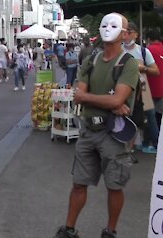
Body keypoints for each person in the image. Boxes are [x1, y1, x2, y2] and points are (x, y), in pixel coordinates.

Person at [54, 13, 139, 238]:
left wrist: (103, 100)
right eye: (104, 24)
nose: (107, 28)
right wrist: (110, 102)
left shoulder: (128, 63)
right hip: (88, 131)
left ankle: (110, 231)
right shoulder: (91, 60)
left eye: (114, 25)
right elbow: (79, 94)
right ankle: (69, 228)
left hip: (114, 134)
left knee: (114, 186)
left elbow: (109, 99)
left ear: (124, 33)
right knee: (79, 183)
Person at [122, 22, 160, 154]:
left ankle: (155, 143)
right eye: (124, 32)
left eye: (129, 32)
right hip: (123, 87)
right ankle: (126, 143)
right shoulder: (119, 50)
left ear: (136, 35)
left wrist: (142, 68)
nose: (126, 35)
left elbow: (156, 71)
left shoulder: (143, 51)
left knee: (150, 114)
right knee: (124, 114)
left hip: (143, 87)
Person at [146, 29, 163, 130]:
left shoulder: (147, 51)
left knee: (151, 118)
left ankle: (154, 141)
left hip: (149, 90)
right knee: (160, 116)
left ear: (148, 39)